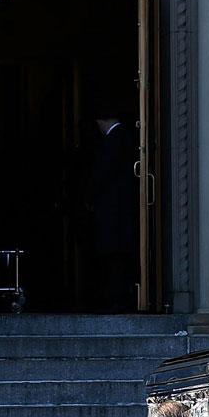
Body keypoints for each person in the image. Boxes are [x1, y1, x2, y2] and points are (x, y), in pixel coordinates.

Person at [85, 110, 140, 312]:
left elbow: (101, 175)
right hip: (121, 212)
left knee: (114, 257)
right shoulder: (125, 137)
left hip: (113, 212)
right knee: (118, 257)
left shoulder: (113, 140)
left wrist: (89, 198)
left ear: (102, 120)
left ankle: (117, 300)